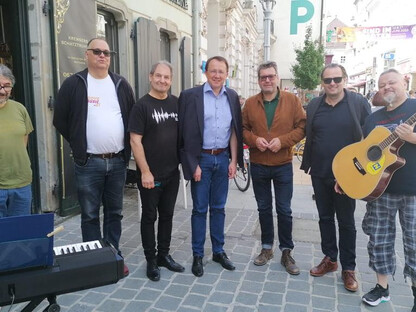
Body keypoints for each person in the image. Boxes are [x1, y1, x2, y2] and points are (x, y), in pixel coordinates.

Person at [53, 38, 134, 276]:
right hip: (88, 162)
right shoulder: (74, 84)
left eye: (106, 52)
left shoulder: (120, 84)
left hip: (118, 161)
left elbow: (131, 117)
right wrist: (80, 143)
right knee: (89, 214)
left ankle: (112, 256)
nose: (102, 56)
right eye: (97, 51)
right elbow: (60, 120)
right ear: (86, 55)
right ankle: (92, 261)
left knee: (114, 212)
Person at [300, 63, 371, 291]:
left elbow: (369, 140)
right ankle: (330, 259)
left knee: (347, 223)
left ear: (345, 79)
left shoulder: (358, 103)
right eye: (328, 80)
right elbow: (309, 134)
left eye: (337, 79)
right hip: (320, 172)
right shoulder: (314, 105)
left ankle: (348, 268)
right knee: (325, 218)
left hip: (349, 176)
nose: (332, 84)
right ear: (322, 83)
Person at [178, 55, 243, 277]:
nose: (216, 75)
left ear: (227, 74)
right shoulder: (190, 96)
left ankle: (218, 251)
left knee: (219, 208)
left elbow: (234, 131)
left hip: (223, 158)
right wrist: (192, 163)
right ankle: (198, 254)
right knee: (199, 209)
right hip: (202, 160)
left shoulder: (232, 97)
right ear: (206, 72)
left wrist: (234, 161)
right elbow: (184, 135)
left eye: (221, 71)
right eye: (212, 70)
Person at [242, 61, 306, 274]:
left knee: (284, 209)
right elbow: (242, 129)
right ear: (259, 80)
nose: (267, 80)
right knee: (263, 208)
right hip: (259, 164)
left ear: (277, 77)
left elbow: (302, 127)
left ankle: (286, 251)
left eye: (270, 76)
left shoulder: (292, 100)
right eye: (263, 77)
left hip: (282, 164)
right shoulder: (251, 103)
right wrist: (253, 139)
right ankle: (267, 247)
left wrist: (284, 141)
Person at [360, 69, 416, 311]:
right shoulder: (374, 118)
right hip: (381, 189)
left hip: (413, 190)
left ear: (404, 82)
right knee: (379, 240)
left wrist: (412, 137)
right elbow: (364, 151)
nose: (386, 88)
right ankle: (381, 288)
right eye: (382, 85)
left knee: (414, 243)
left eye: (391, 82)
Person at [128, 61, 184, 281]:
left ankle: (163, 255)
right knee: (149, 217)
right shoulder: (142, 106)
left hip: (172, 173)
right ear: (151, 77)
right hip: (151, 175)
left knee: (168, 216)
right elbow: (135, 141)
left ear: (171, 80)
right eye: (158, 76)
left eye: (167, 77)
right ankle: (151, 261)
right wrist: (145, 172)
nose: (163, 80)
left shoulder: (177, 103)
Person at [0, 64, 34, 217]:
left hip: (22, 184)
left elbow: (24, 138)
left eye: (7, 86)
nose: (2, 91)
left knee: (20, 234)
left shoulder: (20, 109)